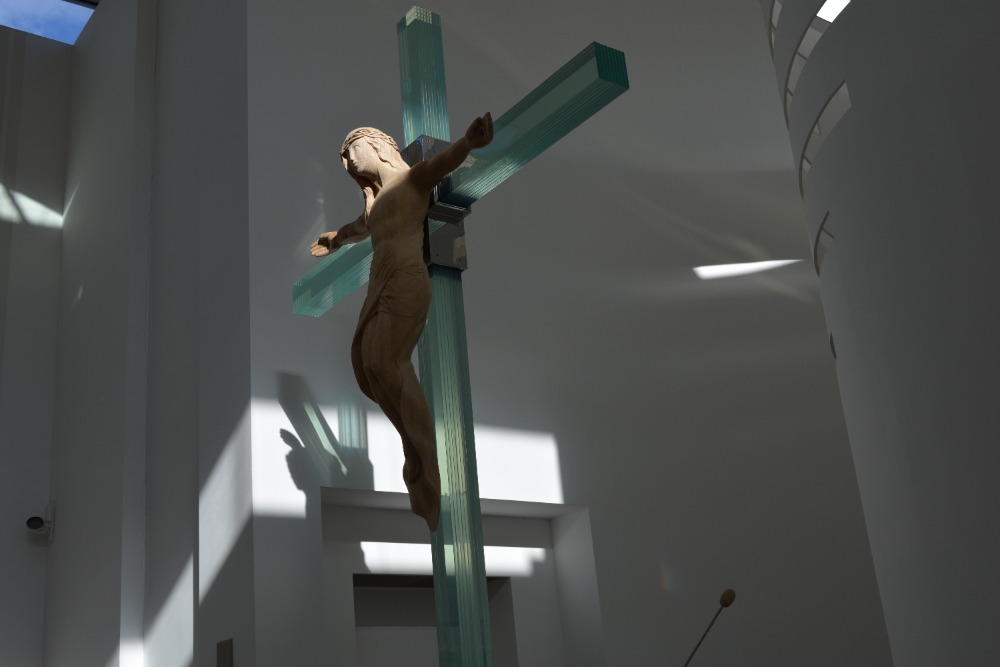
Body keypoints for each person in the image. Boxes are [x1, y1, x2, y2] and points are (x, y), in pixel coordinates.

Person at [311, 114, 493, 531]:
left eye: (351, 150)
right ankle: (413, 447)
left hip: (407, 276)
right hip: (382, 279)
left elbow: (443, 163)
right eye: (343, 158)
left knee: (386, 362)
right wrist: (335, 239)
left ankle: (424, 461)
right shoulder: (374, 203)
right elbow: (358, 229)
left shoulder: (412, 179)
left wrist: (468, 142)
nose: (347, 162)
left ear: (376, 145)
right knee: (369, 366)